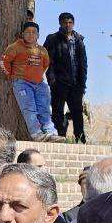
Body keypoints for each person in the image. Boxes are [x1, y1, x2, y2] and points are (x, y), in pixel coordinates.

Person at [0, 20, 62, 142]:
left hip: (40, 84)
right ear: (22, 34)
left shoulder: (42, 50)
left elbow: (45, 64)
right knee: (29, 108)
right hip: (22, 83)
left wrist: (37, 76)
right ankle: (36, 134)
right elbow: (4, 62)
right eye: (28, 32)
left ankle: (50, 133)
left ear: (38, 35)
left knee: (44, 108)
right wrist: (10, 75)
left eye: (34, 32)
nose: (31, 34)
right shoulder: (14, 47)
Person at [44, 12, 88, 142]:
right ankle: (59, 137)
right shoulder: (52, 39)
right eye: (65, 22)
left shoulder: (79, 40)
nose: (68, 25)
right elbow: (47, 61)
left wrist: (82, 83)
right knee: (58, 111)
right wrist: (52, 81)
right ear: (60, 23)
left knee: (77, 111)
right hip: (59, 82)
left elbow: (83, 63)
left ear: (73, 23)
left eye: (70, 22)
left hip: (76, 83)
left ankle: (80, 138)